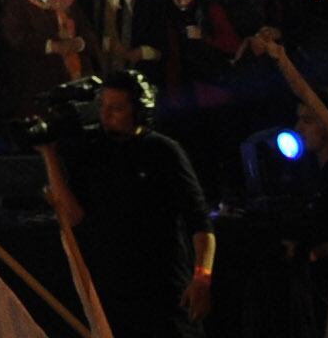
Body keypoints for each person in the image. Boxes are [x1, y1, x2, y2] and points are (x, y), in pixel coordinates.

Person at [50, 76, 211, 338]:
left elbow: (199, 220)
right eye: (103, 106)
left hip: (162, 287)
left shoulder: (163, 151)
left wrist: (202, 277)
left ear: (139, 110)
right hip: (112, 290)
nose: (106, 115)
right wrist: (49, 155)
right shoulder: (93, 151)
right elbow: (73, 216)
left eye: (117, 108)